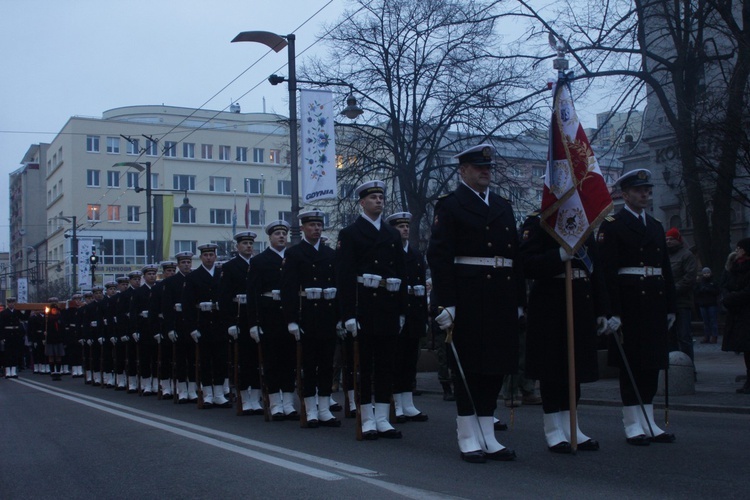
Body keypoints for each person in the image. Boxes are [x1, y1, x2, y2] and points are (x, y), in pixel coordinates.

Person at [427, 143, 524, 463]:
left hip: (500, 295)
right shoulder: (451, 205)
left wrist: (519, 300)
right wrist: (444, 303)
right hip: (467, 297)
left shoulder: (502, 205)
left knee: (495, 366)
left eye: (488, 167)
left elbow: (515, 258)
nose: (485, 171)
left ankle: (488, 433)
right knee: (468, 367)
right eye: (478, 167)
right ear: (463, 171)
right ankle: (468, 434)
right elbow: (439, 257)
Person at [598, 168, 677, 446]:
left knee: (652, 364)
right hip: (630, 303)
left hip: (654, 301)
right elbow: (607, 272)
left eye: (647, 190)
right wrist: (611, 312)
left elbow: (665, 269)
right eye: (638, 190)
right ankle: (633, 423)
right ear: (625, 194)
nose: (644, 194)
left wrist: (670, 305)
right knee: (632, 364)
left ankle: (649, 420)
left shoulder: (655, 225)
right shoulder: (613, 224)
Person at [520, 212, 609, 452]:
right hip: (551, 302)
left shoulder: (583, 222)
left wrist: (602, 309)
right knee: (552, 369)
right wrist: (558, 256)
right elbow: (526, 263)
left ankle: (573, 427)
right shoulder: (539, 222)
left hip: (580, 300)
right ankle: (553, 429)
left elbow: (596, 268)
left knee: (575, 368)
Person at [337, 180, 407, 440]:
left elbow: (401, 273)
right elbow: (344, 277)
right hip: (364, 304)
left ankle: (383, 418)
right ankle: (367, 417)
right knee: (365, 364)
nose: (379, 200)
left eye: (381, 196)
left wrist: (401, 310)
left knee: (386, 364)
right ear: (362, 202)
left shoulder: (391, 235)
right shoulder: (351, 233)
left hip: (388, 304)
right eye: (373, 197)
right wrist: (348, 315)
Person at [282, 209, 341, 427]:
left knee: (326, 364)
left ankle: (324, 407)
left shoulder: (330, 254)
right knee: (308, 363)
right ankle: (309, 407)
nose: (316, 229)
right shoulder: (295, 254)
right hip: (306, 314)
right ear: (303, 228)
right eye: (311, 226)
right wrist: (291, 320)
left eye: (319, 225)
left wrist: (339, 316)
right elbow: (288, 290)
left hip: (327, 313)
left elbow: (338, 287)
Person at [247, 220, 298, 420]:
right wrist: (254, 323)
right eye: (277, 233)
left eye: (284, 233)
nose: (281, 237)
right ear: (270, 237)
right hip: (269, 315)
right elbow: (253, 294)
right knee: (272, 360)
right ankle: (275, 403)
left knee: (289, 360)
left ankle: (288, 401)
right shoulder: (260, 261)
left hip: (289, 314)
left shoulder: (293, 257)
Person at [386, 211, 429, 423]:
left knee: (411, 359)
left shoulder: (416, 254)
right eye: (400, 227)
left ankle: (408, 401)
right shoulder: (389, 253)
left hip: (414, 312)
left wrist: (424, 317)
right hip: (396, 310)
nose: (405, 230)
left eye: (406, 226)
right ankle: (397, 403)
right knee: (396, 358)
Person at [219, 231, 263, 415]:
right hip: (239, 316)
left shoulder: (258, 264)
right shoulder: (230, 267)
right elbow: (224, 296)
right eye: (244, 243)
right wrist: (230, 322)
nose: (248, 246)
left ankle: (257, 398)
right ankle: (245, 398)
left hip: (256, 316)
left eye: (250, 243)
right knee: (244, 359)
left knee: (258, 358)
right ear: (237, 247)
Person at [183, 243, 231, 408]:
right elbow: (188, 305)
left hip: (219, 322)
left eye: (211, 255)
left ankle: (218, 393)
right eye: (206, 255)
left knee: (220, 359)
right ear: (201, 257)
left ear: (215, 257)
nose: (209, 258)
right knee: (204, 359)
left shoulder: (222, 274)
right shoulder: (193, 277)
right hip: (202, 322)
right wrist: (192, 328)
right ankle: (207, 393)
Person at [162, 252, 197, 403]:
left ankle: (193, 389)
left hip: (193, 323)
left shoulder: (195, 278)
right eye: (183, 262)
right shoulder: (171, 282)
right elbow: (166, 308)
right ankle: (182, 390)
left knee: (194, 358)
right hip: (179, 323)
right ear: (178, 265)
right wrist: (170, 328)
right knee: (181, 359)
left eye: (188, 262)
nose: (186, 265)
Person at [720, 238, 750, 393]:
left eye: (739, 248)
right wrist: (726, 296)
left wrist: (730, 298)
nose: (737, 250)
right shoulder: (734, 266)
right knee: (745, 348)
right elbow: (725, 284)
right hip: (737, 313)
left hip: (746, 312)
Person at [665, 227, 698, 362]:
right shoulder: (664, 255)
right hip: (667, 303)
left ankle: (689, 367)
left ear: (678, 240)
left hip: (682, 302)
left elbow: (689, 278)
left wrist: (672, 290)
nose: (668, 242)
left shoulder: (687, 255)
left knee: (684, 336)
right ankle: (673, 367)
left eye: (671, 239)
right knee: (670, 337)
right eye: (666, 239)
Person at [130, 265, 159, 395]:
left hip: (158, 327)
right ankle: (147, 384)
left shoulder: (159, 289)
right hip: (144, 326)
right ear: (144, 277)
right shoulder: (138, 292)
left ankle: (157, 383)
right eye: (149, 274)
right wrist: (135, 330)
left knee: (157, 357)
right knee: (145, 357)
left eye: (154, 274)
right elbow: (133, 312)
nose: (152, 276)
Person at [1, 297, 27, 379]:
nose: (11, 304)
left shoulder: (17, 312)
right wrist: (2, 337)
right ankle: (8, 371)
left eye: (13, 303)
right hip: (7, 335)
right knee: (8, 354)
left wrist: (28, 309)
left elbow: (24, 317)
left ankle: (14, 371)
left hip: (16, 334)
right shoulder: (3, 313)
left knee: (15, 353)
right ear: (8, 304)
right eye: (10, 303)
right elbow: (1, 326)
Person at [695, 267, 721, 344]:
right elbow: (696, 292)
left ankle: (714, 336)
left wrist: (709, 290)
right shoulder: (700, 283)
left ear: (710, 273)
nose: (706, 274)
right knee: (706, 322)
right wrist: (701, 290)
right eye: (705, 273)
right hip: (703, 304)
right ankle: (707, 336)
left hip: (712, 304)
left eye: (708, 273)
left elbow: (718, 291)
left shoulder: (714, 282)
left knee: (713, 321)